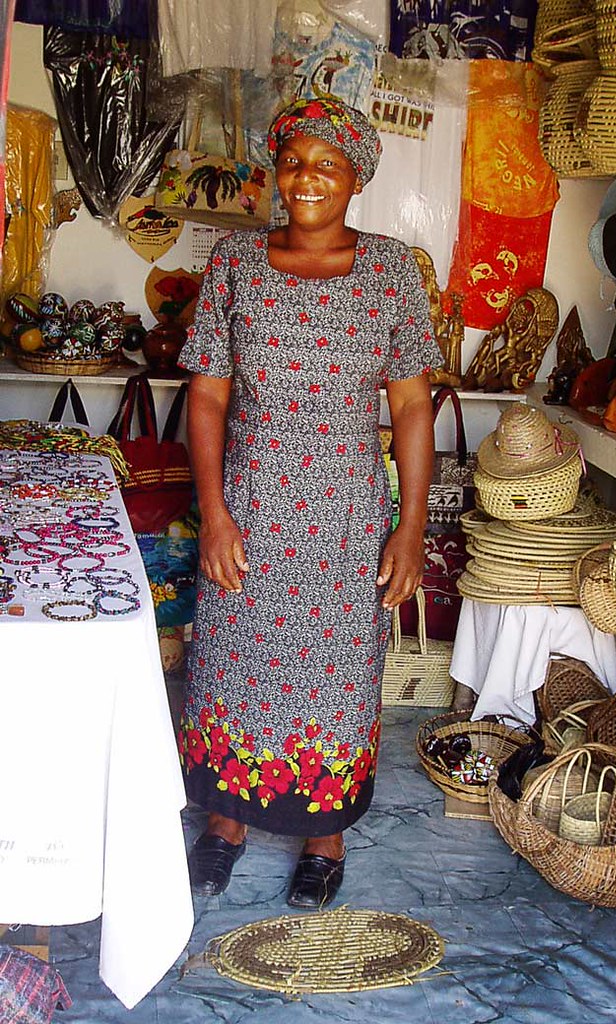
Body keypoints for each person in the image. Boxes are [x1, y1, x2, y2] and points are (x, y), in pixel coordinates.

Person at [176, 96, 443, 908]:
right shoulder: (234, 263)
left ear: (357, 177)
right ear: (276, 171)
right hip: (252, 509)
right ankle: (224, 822)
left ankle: (322, 836)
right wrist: (215, 514)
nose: (307, 178)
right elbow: (208, 398)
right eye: (294, 160)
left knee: (336, 677)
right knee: (232, 665)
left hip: (345, 518)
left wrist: (411, 526)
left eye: (328, 164)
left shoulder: (394, 271)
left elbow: (409, 408)